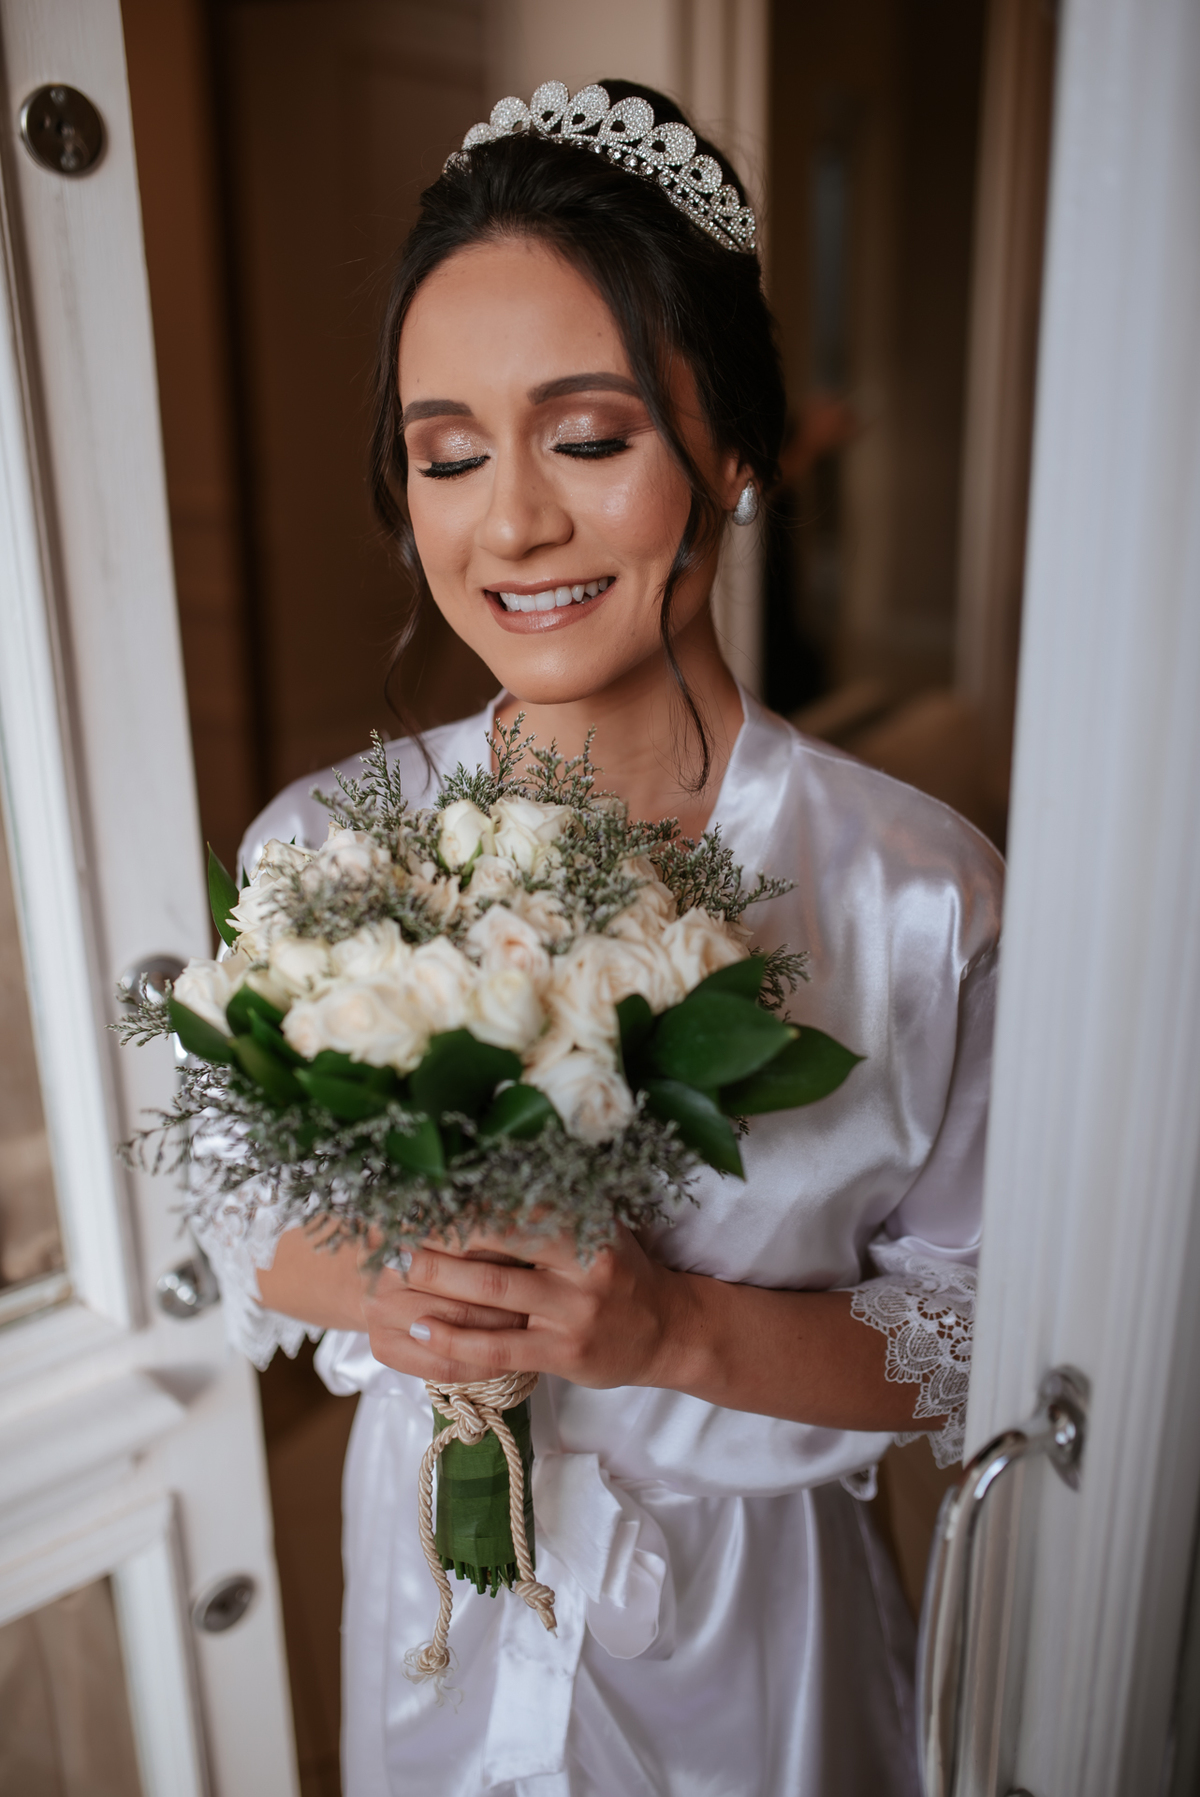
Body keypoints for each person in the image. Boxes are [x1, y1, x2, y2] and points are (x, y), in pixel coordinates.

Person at [199, 79, 1001, 1797]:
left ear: (733, 449)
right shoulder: (319, 853)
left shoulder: (916, 893)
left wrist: (664, 1333)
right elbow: (241, 1216)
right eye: (448, 452)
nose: (513, 525)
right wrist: (397, 1281)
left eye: (588, 434)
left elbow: (973, 1330)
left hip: (748, 1672)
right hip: (431, 1626)